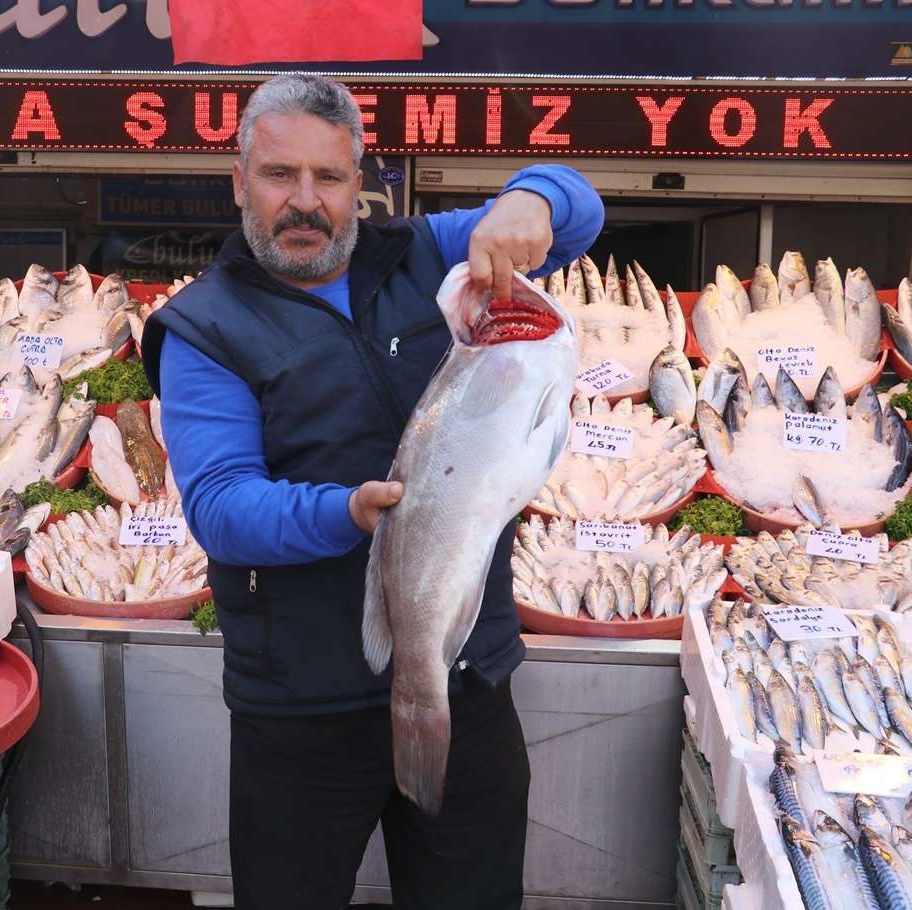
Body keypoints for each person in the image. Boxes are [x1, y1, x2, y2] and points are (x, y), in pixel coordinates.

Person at [140, 73, 604, 910]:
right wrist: (346, 512)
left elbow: (577, 210)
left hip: (464, 670)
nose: (305, 202)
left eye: (330, 177)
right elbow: (220, 507)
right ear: (239, 181)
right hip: (300, 705)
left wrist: (529, 197)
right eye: (280, 176)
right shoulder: (202, 327)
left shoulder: (427, 252)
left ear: (362, 186)